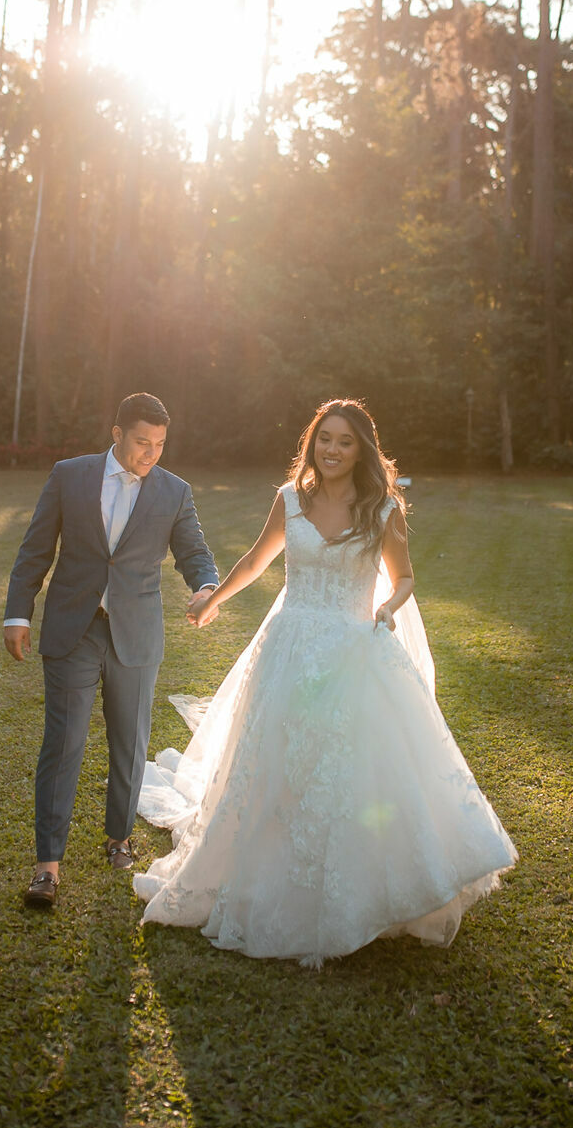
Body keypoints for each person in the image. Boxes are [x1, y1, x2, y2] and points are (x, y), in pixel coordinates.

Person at [133, 398, 517, 967]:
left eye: (344, 441)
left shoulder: (382, 509)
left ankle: (363, 884)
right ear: (312, 444)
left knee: (351, 766)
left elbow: (405, 576)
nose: (332, 450)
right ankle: (268, 870)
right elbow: (257, 561)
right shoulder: (290, 501)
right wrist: (215, 599)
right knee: (278, 760)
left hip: (355, 651)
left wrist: (388, 606)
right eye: (324, 439)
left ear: (361, 449)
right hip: (290, 649)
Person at [4, 393, 218, 907]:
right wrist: (17, 612)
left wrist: (206, 585)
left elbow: (193, 549)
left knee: (130, 742)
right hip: (72, 631)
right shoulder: (69, 475)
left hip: (136, 633)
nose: (151, 453)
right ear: (117, 433)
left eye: (161, 444)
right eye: (142, 441)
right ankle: (47, 866)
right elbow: (36, 547)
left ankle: (119, 838)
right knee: (64, 743)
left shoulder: (174, 491)